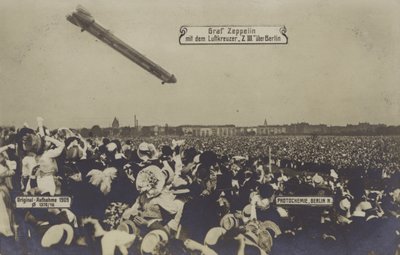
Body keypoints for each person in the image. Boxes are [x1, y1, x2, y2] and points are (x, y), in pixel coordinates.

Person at [0, 144, 16, 238]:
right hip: (1, 189)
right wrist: (10, 164)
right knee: (6, 210)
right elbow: (11, 172)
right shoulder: (1, 168)